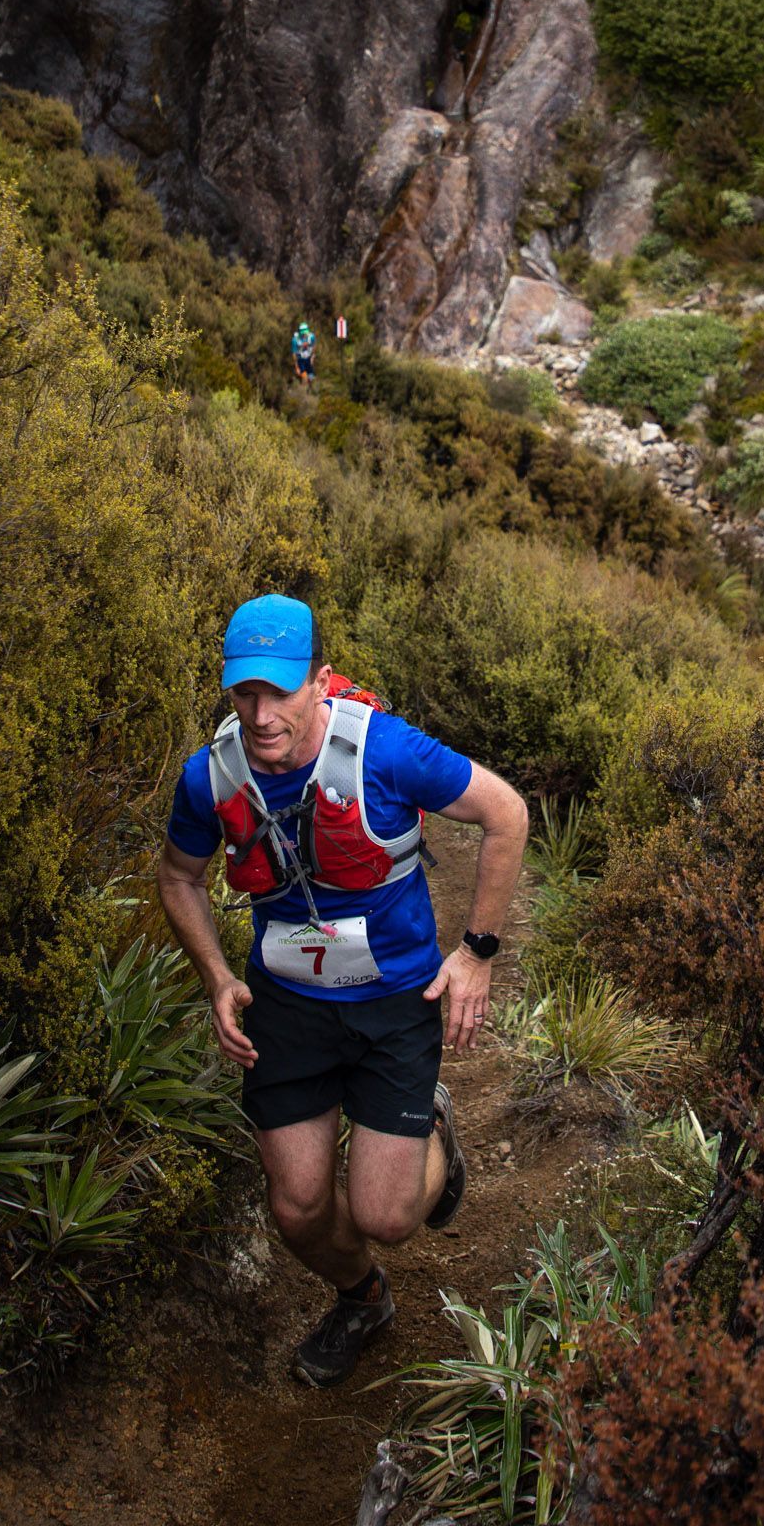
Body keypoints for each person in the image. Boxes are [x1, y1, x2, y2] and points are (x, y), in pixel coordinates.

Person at [157, 594, 528, 1386]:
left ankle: (430, 1122)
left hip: (396, 1004)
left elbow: (506, 814)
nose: (261, 715)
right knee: (295, 1208)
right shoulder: (210, 776)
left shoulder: (386, 753)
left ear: (320, 683)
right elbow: (178, 876)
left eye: (281, 692)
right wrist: (217, 977)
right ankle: (361, 1299)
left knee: (386, 1215)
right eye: (243, 693)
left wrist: (475, 953)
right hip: (285, 1003)